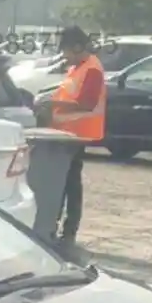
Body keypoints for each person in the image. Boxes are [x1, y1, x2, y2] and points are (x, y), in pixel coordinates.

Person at [47, 26, 106, 254]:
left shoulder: (92, 69)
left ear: (78, 47)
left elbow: (87, 103)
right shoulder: (78, 67)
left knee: (70, 185)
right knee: (64, 183)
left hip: (78, 133)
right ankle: (56, 228)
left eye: (66, 50)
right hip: (66, 132)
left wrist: (54, 105)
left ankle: (67, 232)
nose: (64, 55)